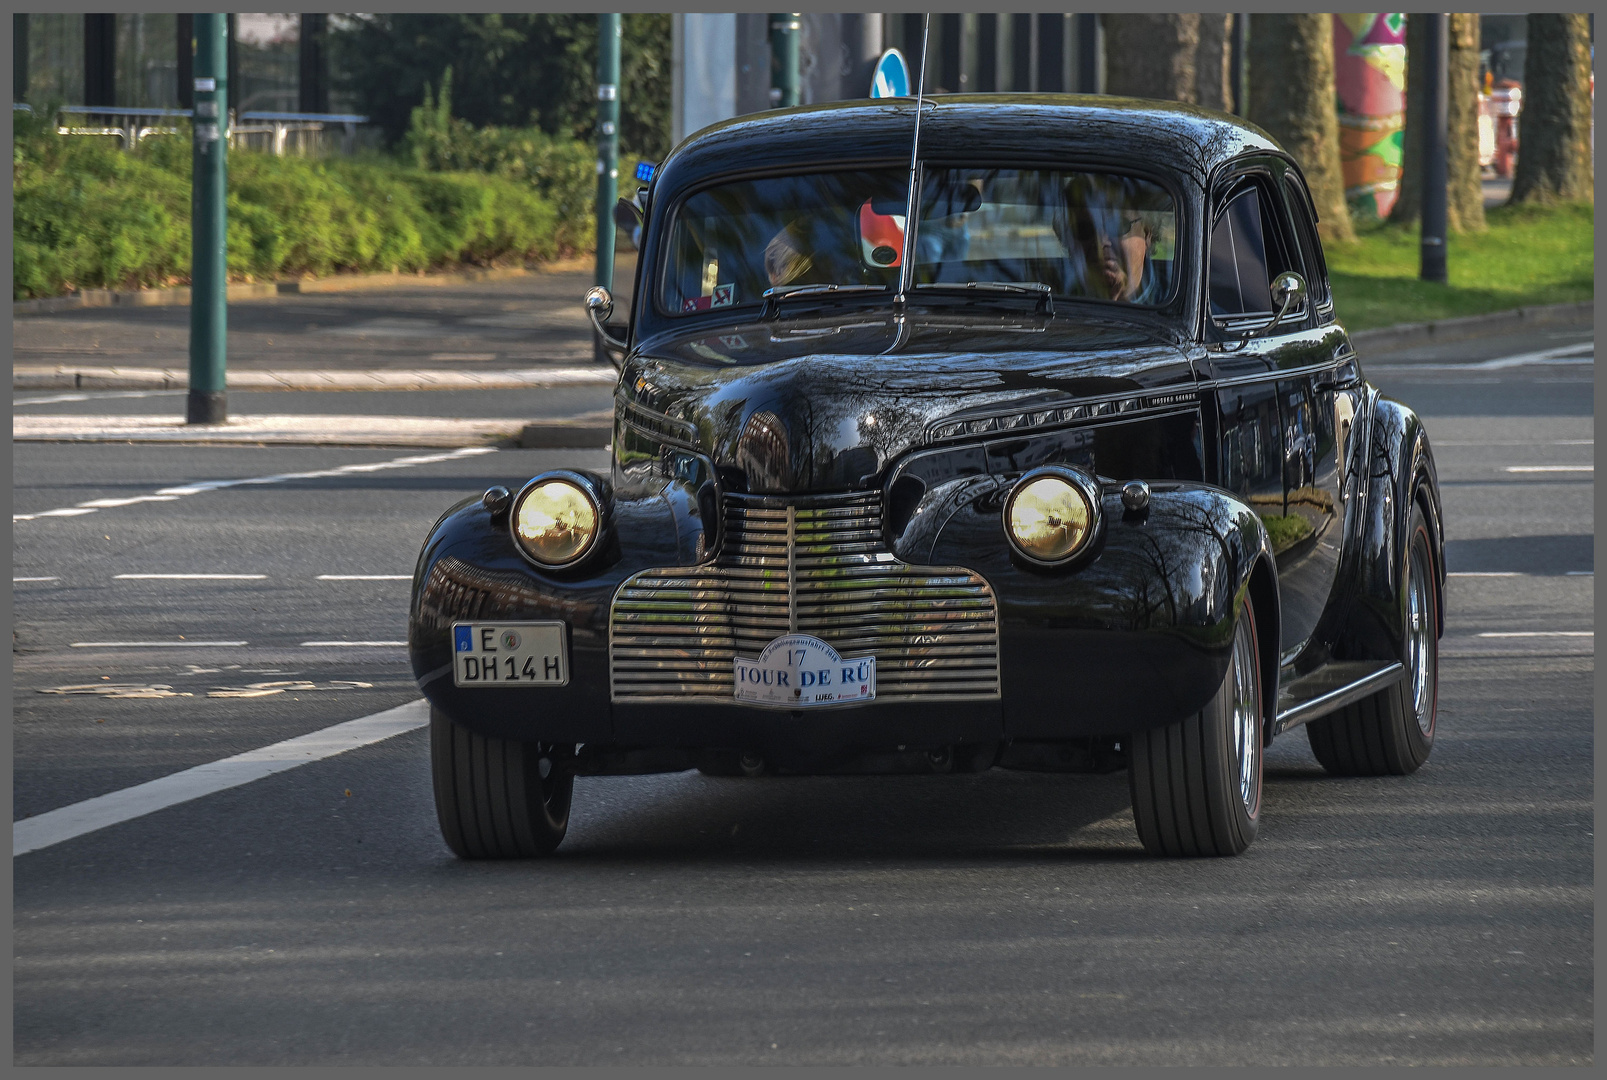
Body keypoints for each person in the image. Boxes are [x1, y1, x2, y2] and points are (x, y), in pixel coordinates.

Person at [1057, 175, 1168, 304]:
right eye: (1085, 229)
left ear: (1147, 233)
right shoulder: (1053, 300)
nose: (1101, 243)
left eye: (1117, 225)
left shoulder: (1180, 302)